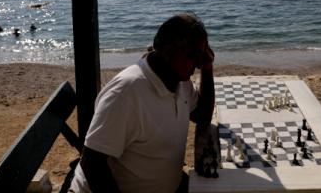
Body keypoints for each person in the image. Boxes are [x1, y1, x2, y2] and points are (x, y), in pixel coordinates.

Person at [69, 13, 215, 193]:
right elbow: (92, 163)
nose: (199, 64)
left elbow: (202, 116)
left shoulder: (180, 81)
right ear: (166, 52)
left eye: (202, 55)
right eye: (194, 55)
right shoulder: (126, 93)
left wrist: (208, 68)